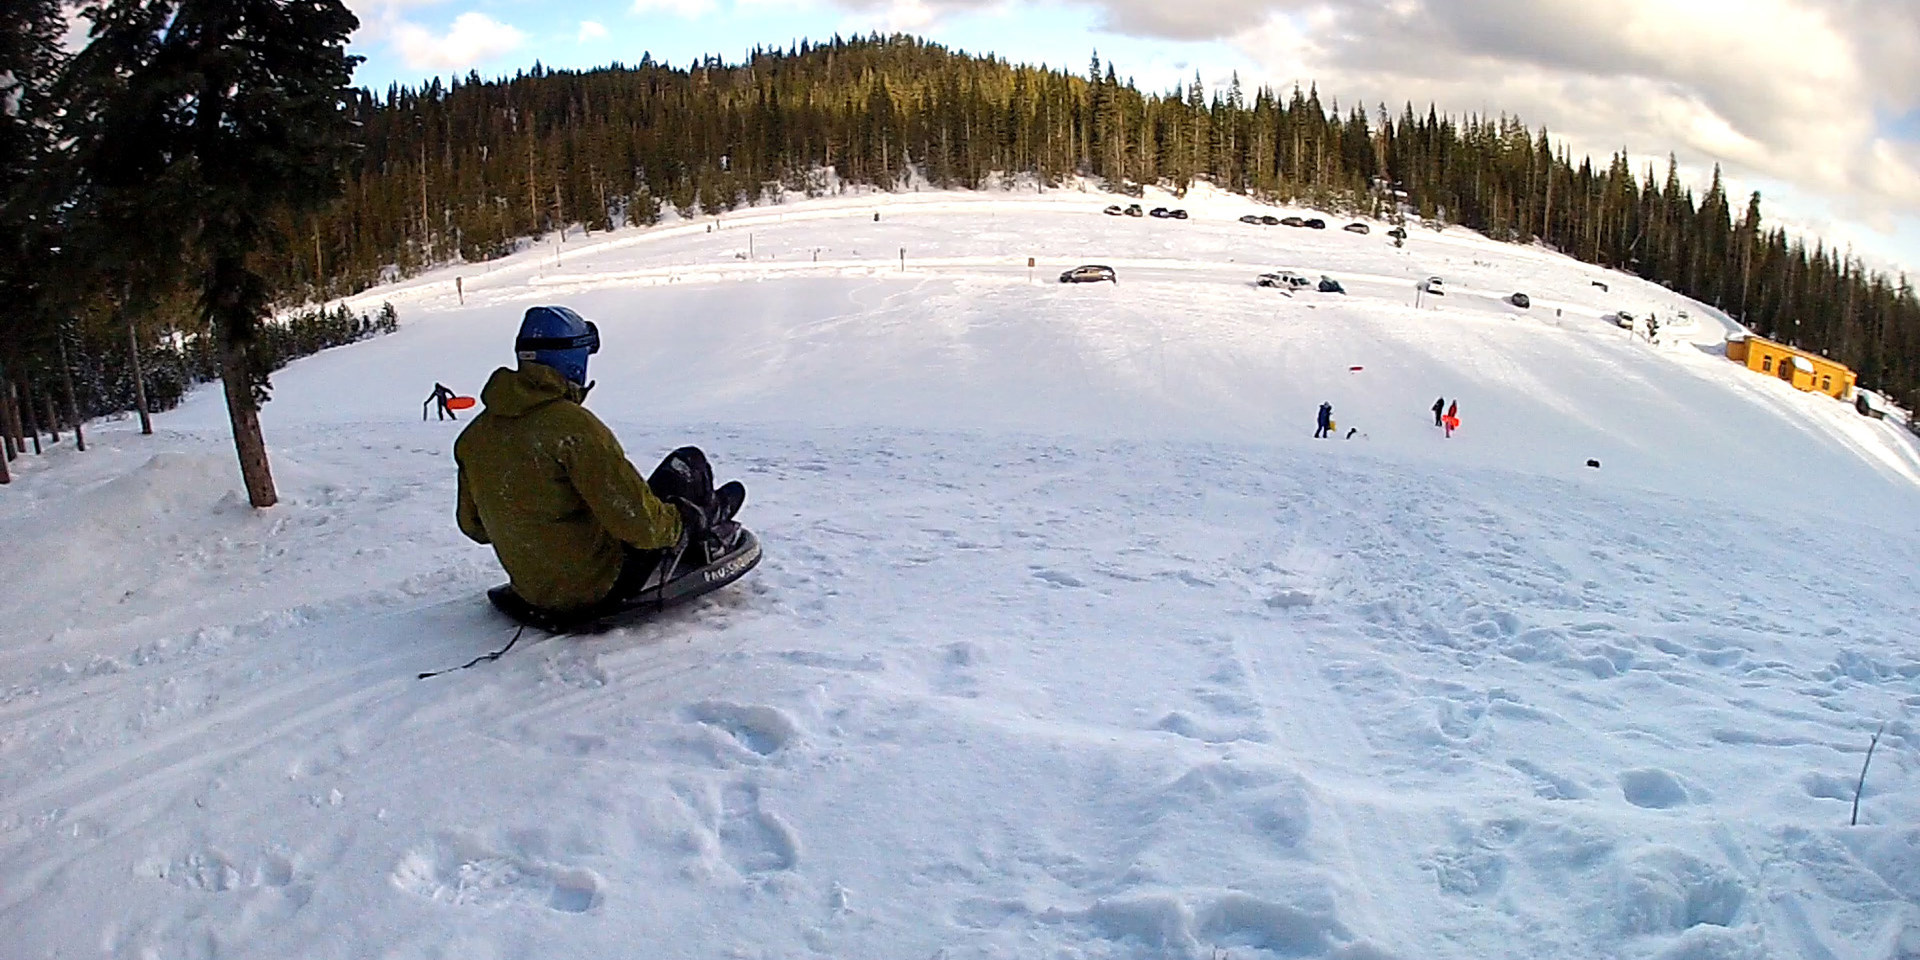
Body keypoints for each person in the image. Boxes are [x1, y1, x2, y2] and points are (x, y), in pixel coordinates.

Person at [454, 305, 744, 615]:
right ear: (572, 359)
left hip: (532, 586)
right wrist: (682, 522)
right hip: (595, 584)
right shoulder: (573, 427)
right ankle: (707, 524)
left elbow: (474, 527)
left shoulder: (474, 436)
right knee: (688, 463)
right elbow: (639, 524)